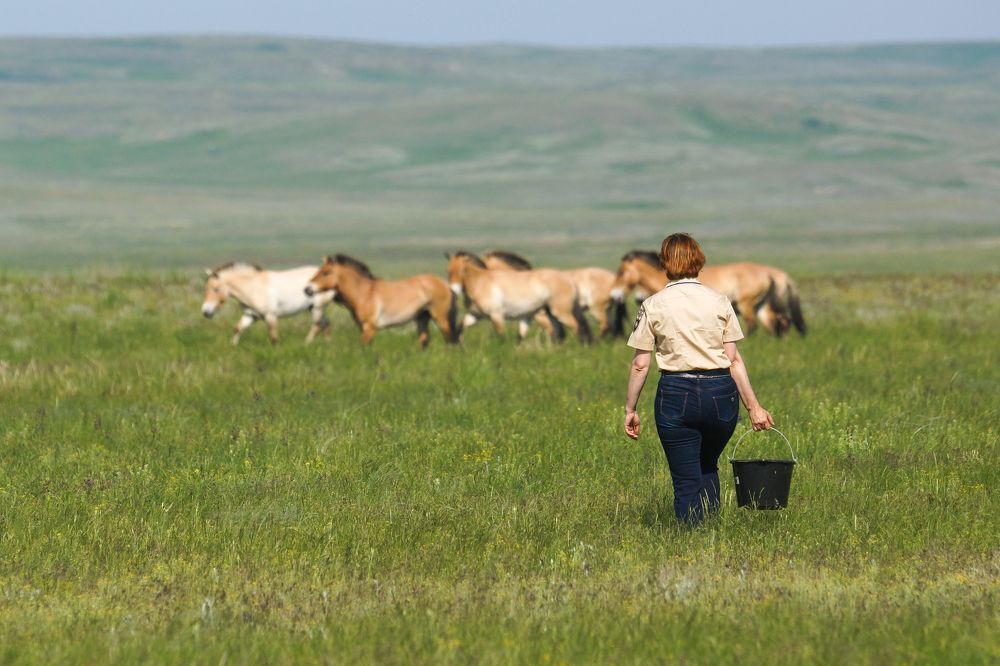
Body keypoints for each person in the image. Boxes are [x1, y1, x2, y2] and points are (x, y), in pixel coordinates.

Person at [624, 233, 774, 524]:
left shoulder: (653, 305)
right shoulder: (719, 301)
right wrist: (754, 407)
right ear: (699, 260)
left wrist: (631, 409)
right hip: (721, 394)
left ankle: (691, 538)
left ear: (664, 263)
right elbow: (733, 360)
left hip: (675, 393)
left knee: (685, 478)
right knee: (708, 465)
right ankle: (712, 532)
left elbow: (641, 365)